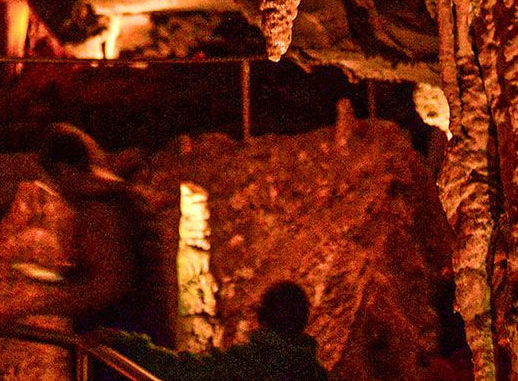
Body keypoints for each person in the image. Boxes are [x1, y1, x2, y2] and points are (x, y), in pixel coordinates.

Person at [33, 123, 154, 338]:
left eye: (53, 181)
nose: (57, 191)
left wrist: (34, 308)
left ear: (63, 170)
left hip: (118, 341)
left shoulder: (99, 206)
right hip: (138, 334)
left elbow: (106, 287)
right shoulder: (119, 195)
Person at [106, 283, 329, 381]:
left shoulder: (248, 364)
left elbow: (181, 370)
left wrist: (125, 344)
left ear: (262, 316)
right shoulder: (315, 372)